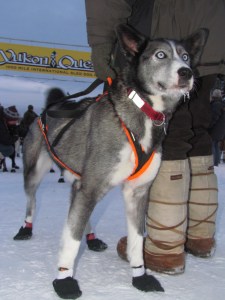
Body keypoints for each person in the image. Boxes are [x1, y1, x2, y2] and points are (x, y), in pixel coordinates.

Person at [85, 0, 225, 274]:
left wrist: (103, 44)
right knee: (197, 134)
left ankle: (164, 248)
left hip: (163, 38)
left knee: (169, 138)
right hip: (213, 40)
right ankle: (200, 237)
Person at [209, 89, 225, 166]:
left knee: (212, 144)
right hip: (221, 129)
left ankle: (214, 162)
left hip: (215, 128)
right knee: (216, 145)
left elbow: (214, 117)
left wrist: (209, 125)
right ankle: (217, 161)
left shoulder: (216, 104)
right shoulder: (222, 104)